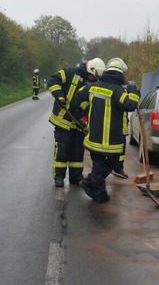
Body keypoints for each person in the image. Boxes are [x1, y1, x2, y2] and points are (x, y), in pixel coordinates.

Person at [70, 58, 140, 203]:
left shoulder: (92, 87)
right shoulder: (118, 91)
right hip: (111, 138)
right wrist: (133, 90)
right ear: (120, 74)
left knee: (98, 165)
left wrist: (85, 113)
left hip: (94, 136)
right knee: (111, 163)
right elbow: (131, 105)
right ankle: (99, 194)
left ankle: (90, 183)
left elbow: (76, 98)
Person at [47, 58, 106, 187]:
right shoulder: (69, 72)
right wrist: (60, 96)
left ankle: (75, 177)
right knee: (62, 150)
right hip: (62, 121)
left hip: (78, 125)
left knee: (77, 153)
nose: (95, 80)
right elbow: (52, 81)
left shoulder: (93, 85)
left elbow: (90, 106)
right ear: (90, 70)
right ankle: (59, 177)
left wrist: (84, 120)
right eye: (94, 77)